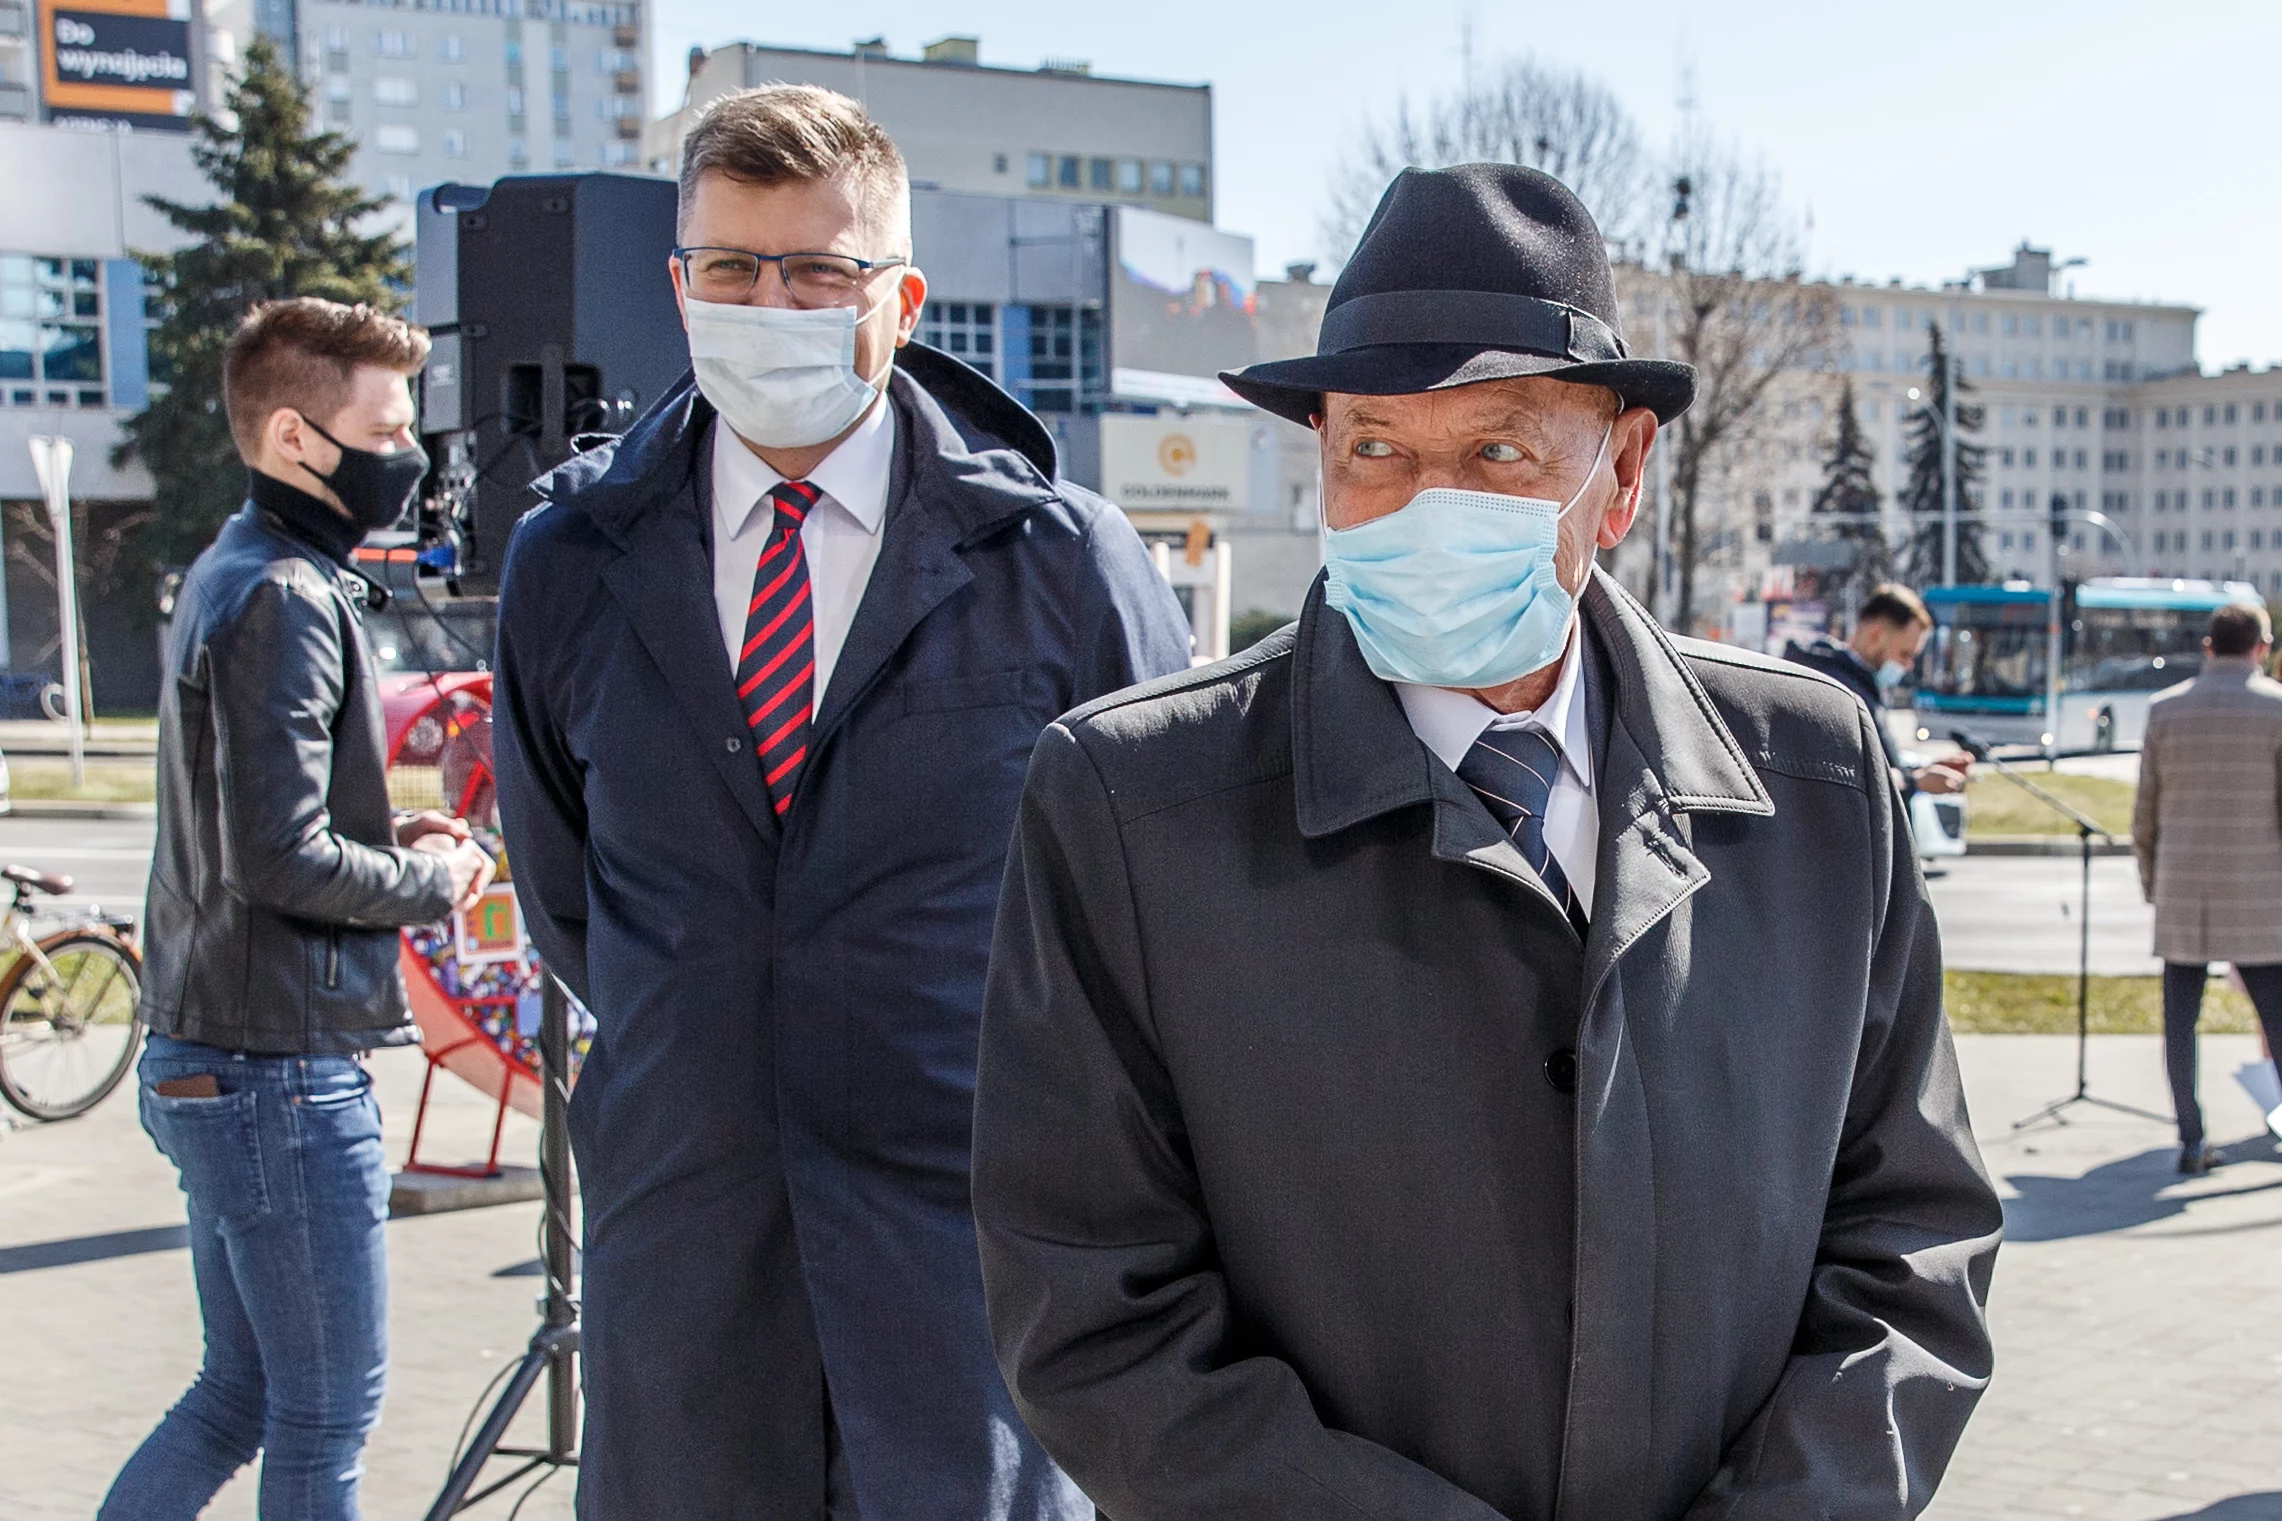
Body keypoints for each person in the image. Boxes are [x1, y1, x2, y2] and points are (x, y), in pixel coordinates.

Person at [973, 163, 2003, 1521]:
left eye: (1497, 452)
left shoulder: (1810, 778)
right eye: (1375, 448)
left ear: (1622, 469)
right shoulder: (1130, 804)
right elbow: (1087, 1300)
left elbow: (1912, 1241)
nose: (1422, 501)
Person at [490, 85, 1190, 1517]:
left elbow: (1154, 916)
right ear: (679, 289)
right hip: (684, 1258)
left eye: (820, 269)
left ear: (903, 296)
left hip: (963, 1267)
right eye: (735, 270)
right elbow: (573, 894)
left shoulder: (1058, 563)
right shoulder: (569, 559)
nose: (774, 303)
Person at [105, 298, 495, 1520]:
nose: (409, 461)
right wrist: (435, 880)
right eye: (385, 431)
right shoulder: (285, 594)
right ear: (293, 438)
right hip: (279, 1069)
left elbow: (258, 828)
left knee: (237, 1395)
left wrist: (387, 838)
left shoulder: (237, 568)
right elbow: (278, 859)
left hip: (210, 1050)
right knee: (322, 1417)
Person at [2130, 600, 2282, 1175]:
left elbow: (2146, 812)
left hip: (2184, 892)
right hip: (2263, 893)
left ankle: (2191, 1139)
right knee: (2278, 1019)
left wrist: (2154, 882)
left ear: (2208, 646)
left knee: (2180, 1025)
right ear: (2261, 648)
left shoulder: (2165, 710)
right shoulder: (2277, 710)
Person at [1785, 582, 1971, 797]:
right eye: (1905, 654)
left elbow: (1875, 770)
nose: (1908, 666)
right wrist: (1916, 782)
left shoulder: (1854, 683)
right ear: (1875, 636)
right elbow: (1843, 781)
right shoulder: (1837, 691)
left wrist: (1924, 771)